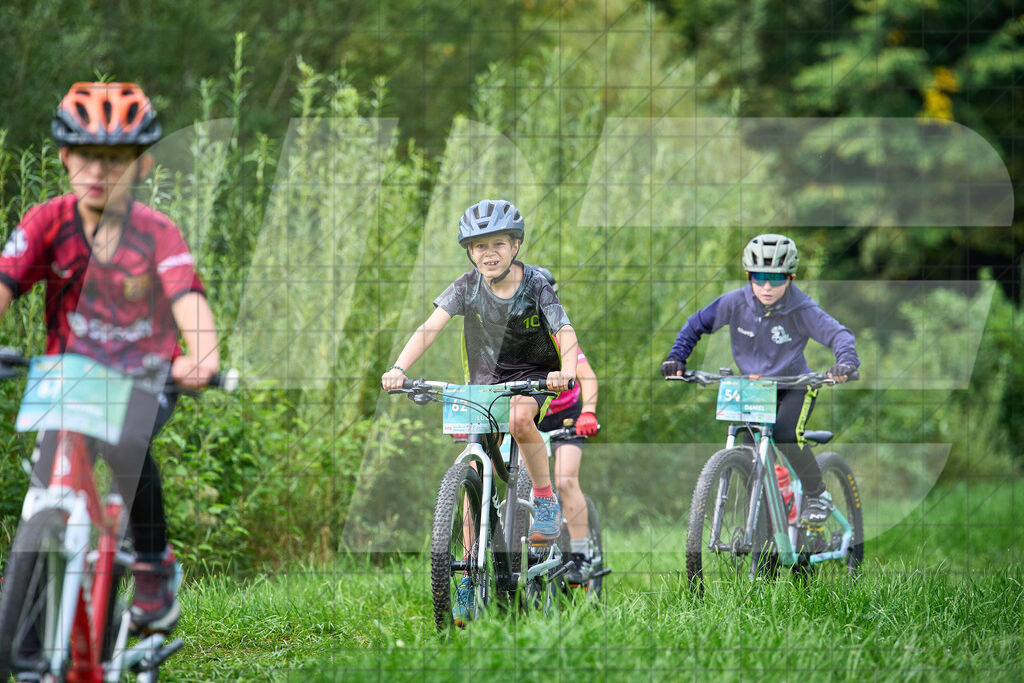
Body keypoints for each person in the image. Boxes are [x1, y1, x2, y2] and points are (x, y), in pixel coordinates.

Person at [0, 82, 220, 633]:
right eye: (87, 156)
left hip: (145, 379)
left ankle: (151, 564)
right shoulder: (47, 222)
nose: (100, 170)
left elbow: (190, 305)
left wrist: (202, 359)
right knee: (48, 475)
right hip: (67, 381)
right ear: (64, 158)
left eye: (117, 159)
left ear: (142, 167)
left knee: (129, 440)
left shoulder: (158, 234)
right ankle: (33, 593)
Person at [381, 199, 579, 623]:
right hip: (484, 385)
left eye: (498, 244)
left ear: (515, 245)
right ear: (469, 252)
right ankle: (470, 575)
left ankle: (543, 498)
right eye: (478, 246)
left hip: (533, 379)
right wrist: (400, 368)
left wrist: (565, 371)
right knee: (475, 476)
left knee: (520, 418)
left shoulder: (536, 285)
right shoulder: (466, 286)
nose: (488, 253)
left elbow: (564, 329)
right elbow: (429, 327)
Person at [661, 234, 859, 528]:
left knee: (784, 436)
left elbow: (839, 335)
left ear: (790, 278)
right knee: (752, 460)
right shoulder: (734, 303)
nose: (767, 287)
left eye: (776, 279)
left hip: (794, 386)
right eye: (759, 277)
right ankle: (767, 544)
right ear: (748, 275)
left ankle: (818, 495)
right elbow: (695, 325)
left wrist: (846, 362)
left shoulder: (801, 309)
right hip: (752, 389)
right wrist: (678, 357)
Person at [530, 266, 599, 586]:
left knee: (566, 479)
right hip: (531, 417)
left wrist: (589, 411)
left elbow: (588, 377)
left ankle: (582, 553)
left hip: (565, 415)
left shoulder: (561, 335)